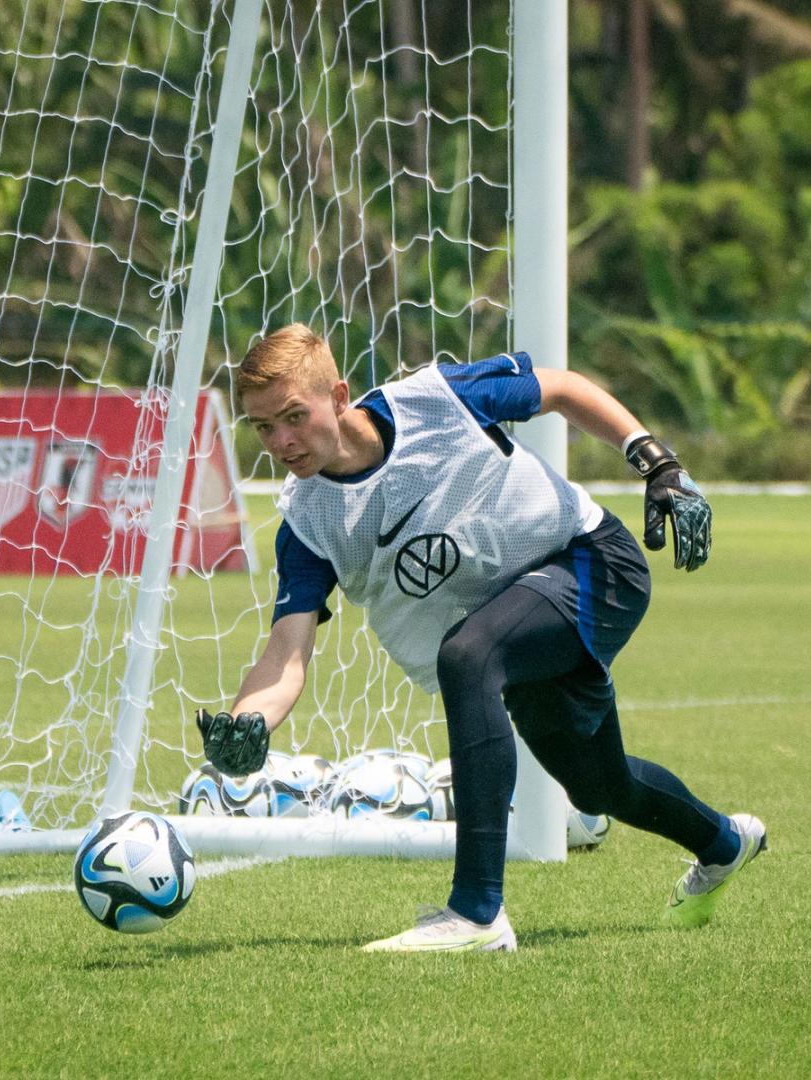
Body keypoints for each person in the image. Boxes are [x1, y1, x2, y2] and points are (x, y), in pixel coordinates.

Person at [197, 323, 766, 953]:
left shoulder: (433, 398)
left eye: (293, 417)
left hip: (591, 561)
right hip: (517, 618)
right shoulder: (305, 522)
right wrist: (248, 723)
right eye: (262, 427)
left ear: (338, 395)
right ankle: (724, 843)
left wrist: (657, 463)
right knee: (600, 789)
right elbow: (286, 651)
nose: (280, 441)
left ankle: (475, 914)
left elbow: (562, 388)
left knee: (467, 655)